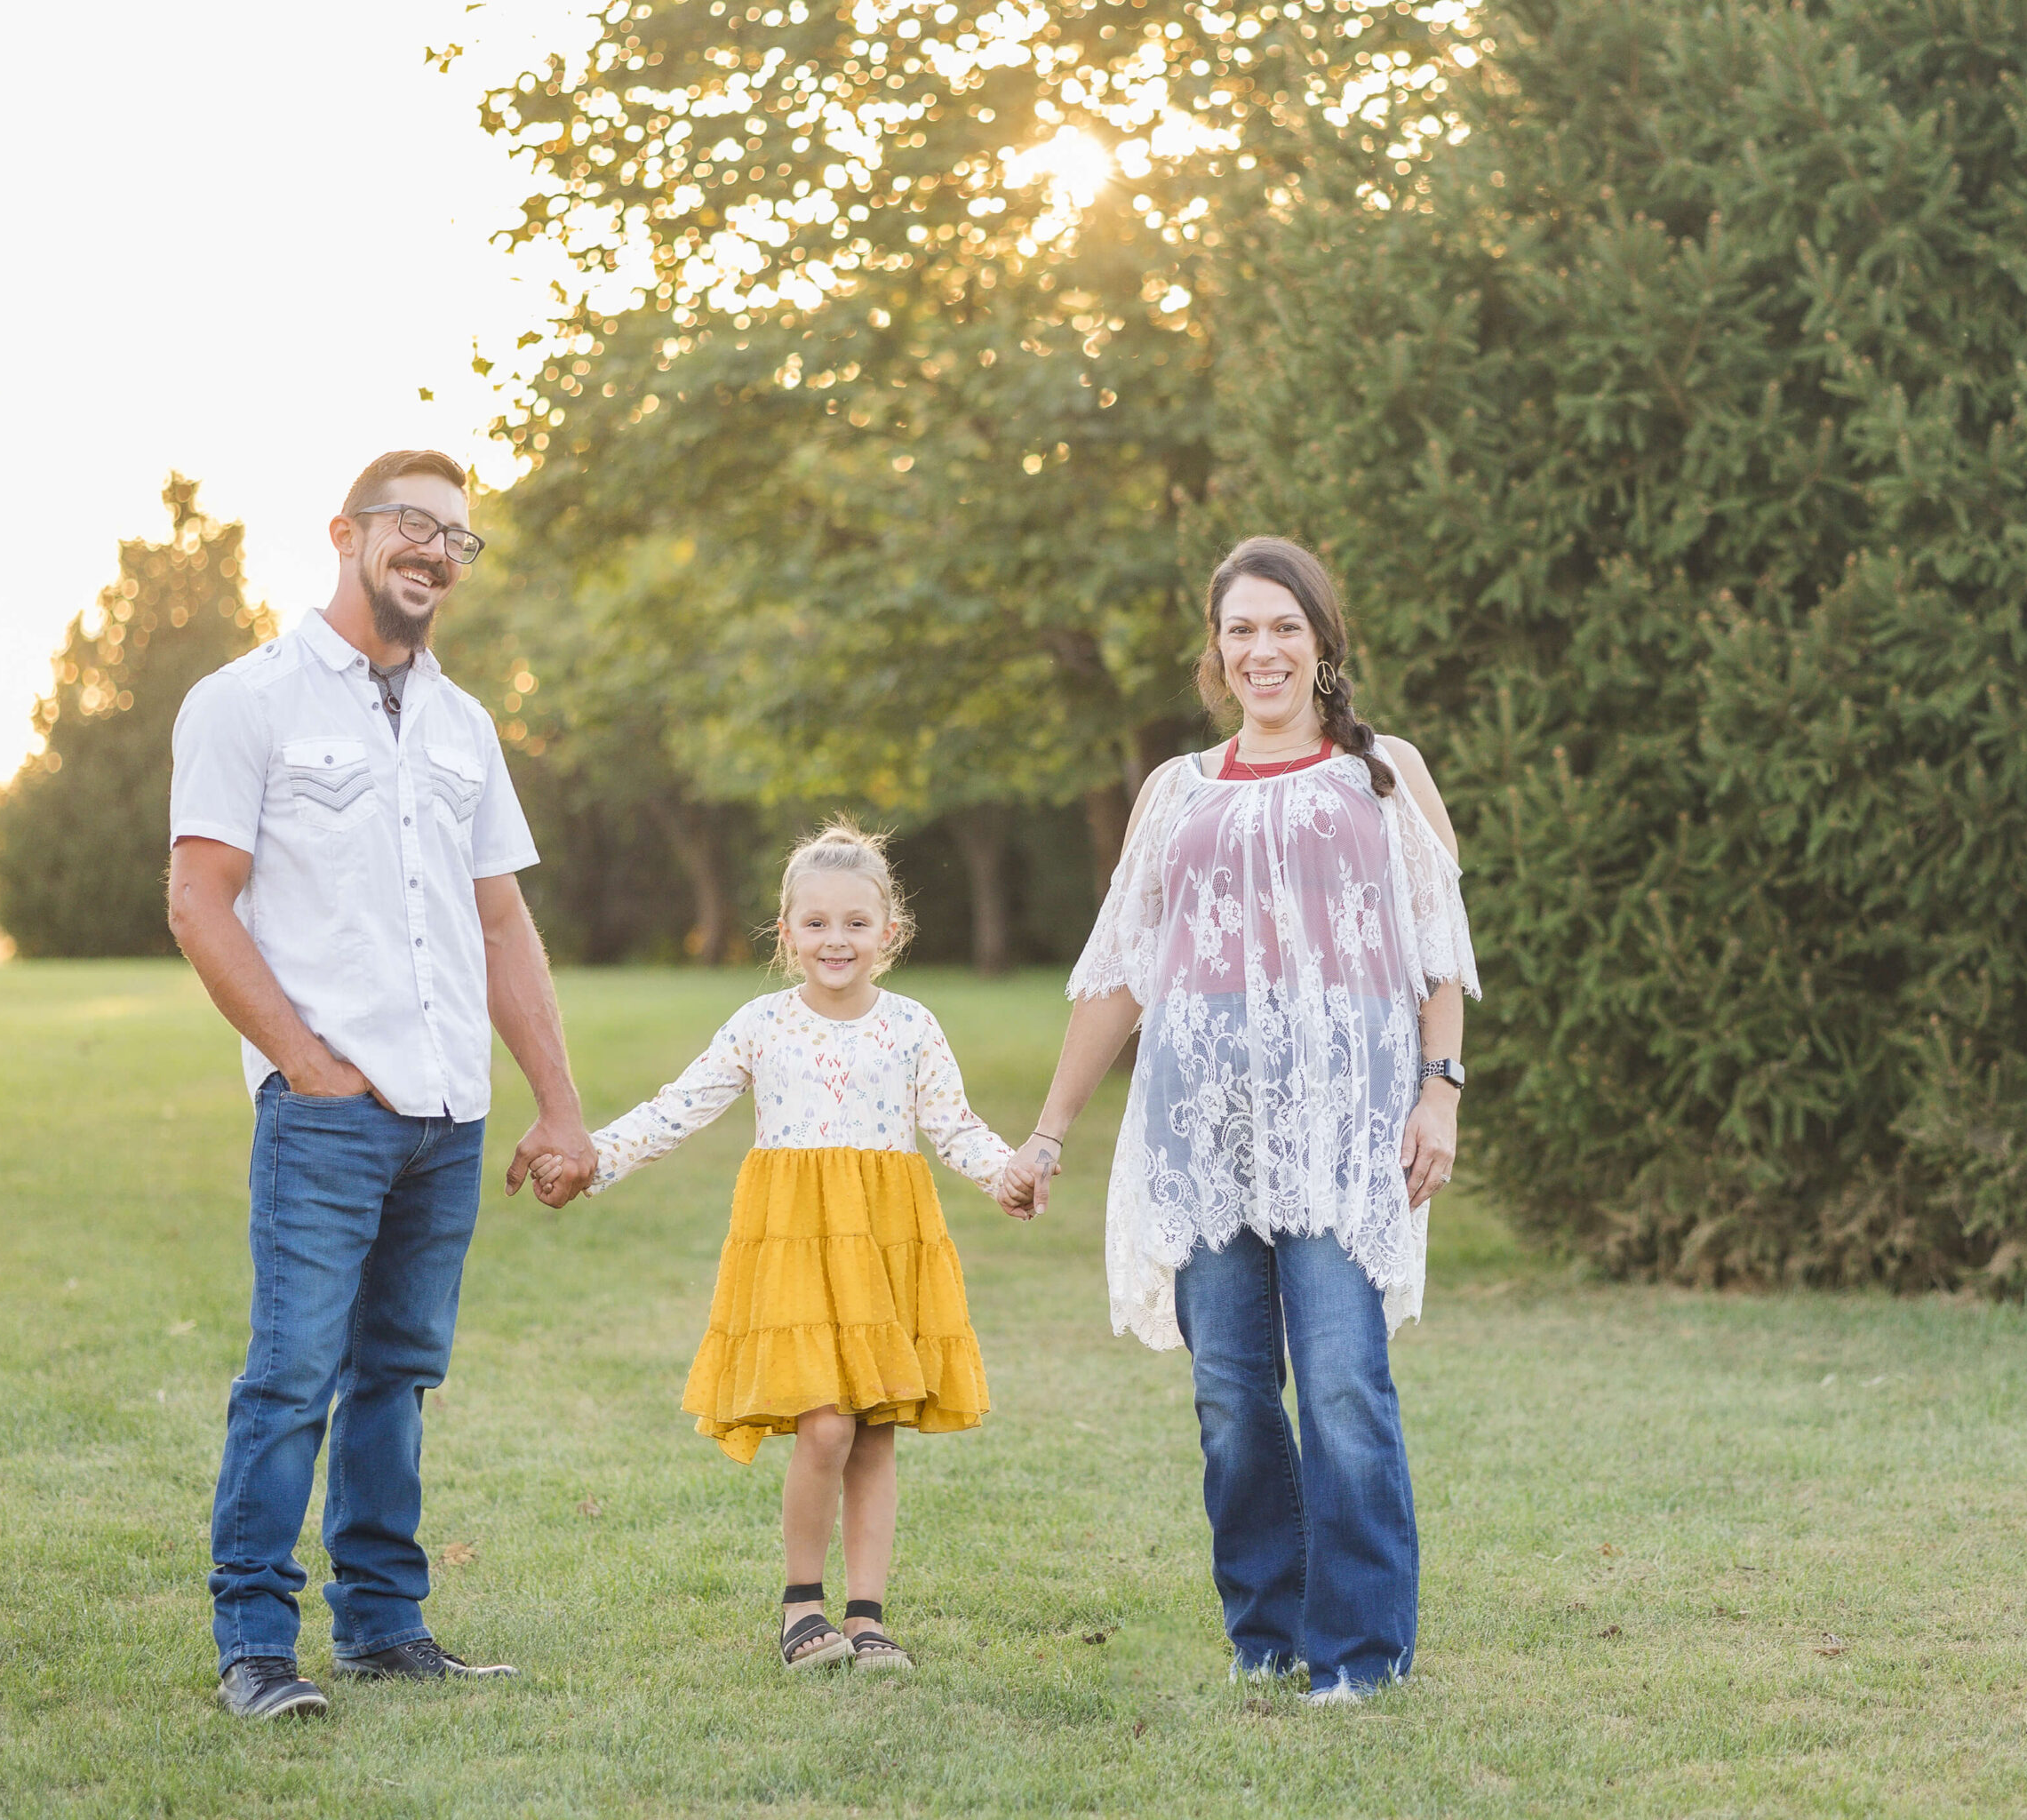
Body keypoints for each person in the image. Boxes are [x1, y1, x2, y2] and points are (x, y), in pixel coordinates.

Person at [998, 536, 1478, 1704]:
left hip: (1340, 1132)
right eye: (1241, 631)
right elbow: (1119, 972)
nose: (1263, 650)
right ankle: (1267, 1633)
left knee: (1344, 1385)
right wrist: (1051, 1130)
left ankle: (1361, 1653)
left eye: (1284, 628)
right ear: (1216, 652)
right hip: (1200, 1138)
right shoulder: (1177, 792)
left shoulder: (1385, 775)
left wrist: (1440, 1089)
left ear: (1321, 641)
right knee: (1229, 1400)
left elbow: (1439, 948)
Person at [166, 449, 599, 1720]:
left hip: (447, 1114)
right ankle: (256, 1642)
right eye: (415, 525)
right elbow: (199, 898)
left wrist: (557, 1101)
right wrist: (303, 1064)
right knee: (293, 1372)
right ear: (348, 532)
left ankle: (383, 1626)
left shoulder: (465, 725)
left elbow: (504, 925)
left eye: (458, 539)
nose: (436, 551)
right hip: (329, 1113)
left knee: (398, 1374)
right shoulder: (248, 700)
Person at [533, 823, 1010, 1672]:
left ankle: (867, 1618)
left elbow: (954, 1125)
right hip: (794, 1243)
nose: (838, 939)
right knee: (823, 1426)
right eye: (818, 923)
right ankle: (802, 1608)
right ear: (786, 933)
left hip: (884, 1241)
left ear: (889, 932)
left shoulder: (911, 1027)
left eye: (857, 923)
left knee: (872, 1427)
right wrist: (591, 1160)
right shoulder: (763, 1024)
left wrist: (1008, 1174)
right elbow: (677, 1107)